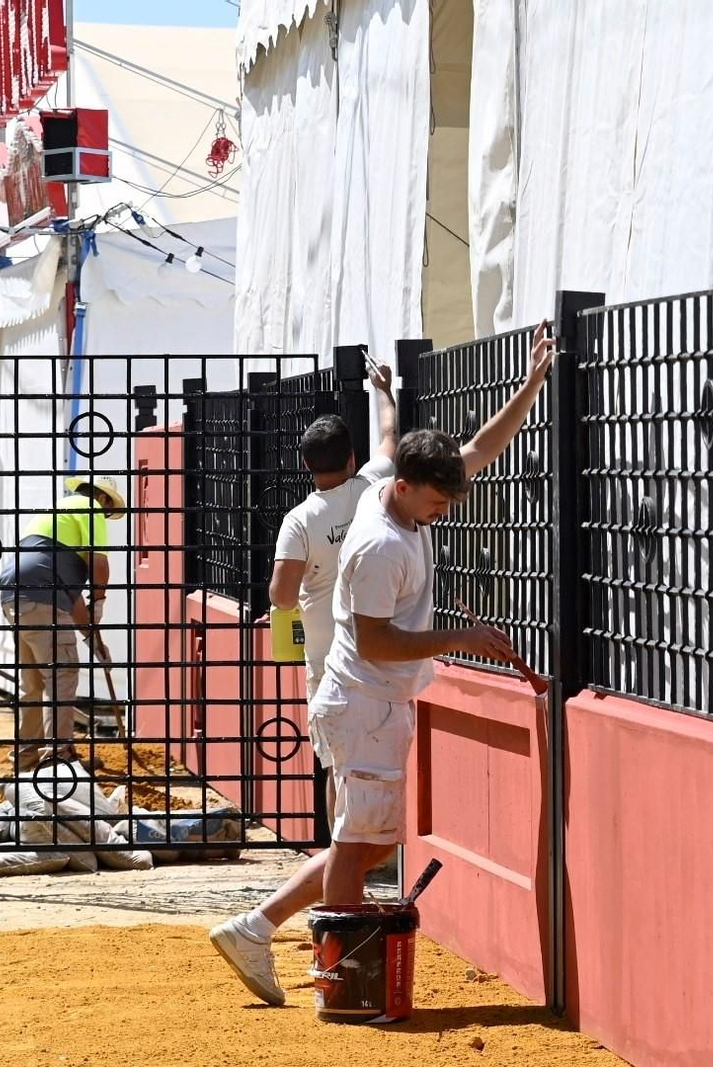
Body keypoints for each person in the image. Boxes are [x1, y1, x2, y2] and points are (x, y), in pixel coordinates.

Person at [209, 322, 555, 1006]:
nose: (444, 510)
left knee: (363, 843)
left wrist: (533, 383)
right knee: (359, 844)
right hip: (362, 700)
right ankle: (338, 984)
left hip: (370, 703)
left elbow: (479, 447)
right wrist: (460, 638)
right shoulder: (378, 545)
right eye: (436, 499)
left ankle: (258, 926)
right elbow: (377, 642)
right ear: (404, 487)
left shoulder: (386, 487)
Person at [269, 359, 398, 698]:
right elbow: (390, 436)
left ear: (306, 464)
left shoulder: (298, 522)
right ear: (352, 458)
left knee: (333, 749)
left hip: (328, 662)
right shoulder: (373, 489)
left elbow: (282, 597)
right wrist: (382, 388)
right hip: (380, 655)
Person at [0, 474, 126, 770]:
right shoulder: (90, 508)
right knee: (62, 673)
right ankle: (59, 758)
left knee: (32, 682)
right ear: (103, 499)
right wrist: (102, 599)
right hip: (43, 594)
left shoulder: (58, 512)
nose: (105, 516)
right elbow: (99, 562)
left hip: (15, 595)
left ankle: (26, 758)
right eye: (108, 510)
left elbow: (71, 600)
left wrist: (93, 640)